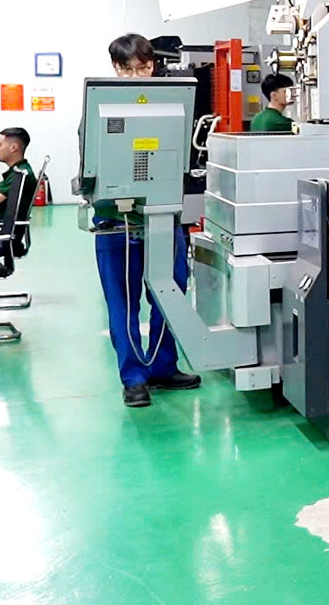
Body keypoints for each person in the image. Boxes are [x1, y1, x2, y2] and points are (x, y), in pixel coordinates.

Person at [94, 33, 200, 408]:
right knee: (123, 304)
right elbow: (90, 168)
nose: (138, 75)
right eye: (129, 69)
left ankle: (162, 367)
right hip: (116, 223)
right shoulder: (98, 108)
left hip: (164, 217)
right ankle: (133, 378)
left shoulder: (174, 104)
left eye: (144, 67)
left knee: (170, 296)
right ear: (115, 68)